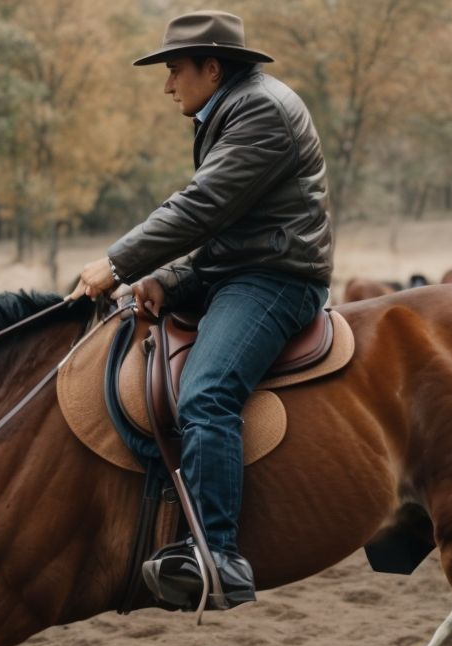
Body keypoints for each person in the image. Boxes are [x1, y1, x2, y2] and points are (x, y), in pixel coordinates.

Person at [69, 10, 333, 610]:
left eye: (174, 70)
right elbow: (227, 231)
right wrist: (170, 277)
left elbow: (202, 206)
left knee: (206, 392)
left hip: (274, 281)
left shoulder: (261, 110)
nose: (168, 85)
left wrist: (117, 263)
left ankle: (216, 554)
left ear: (211, 68)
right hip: (240, 269)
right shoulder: (233, 106)